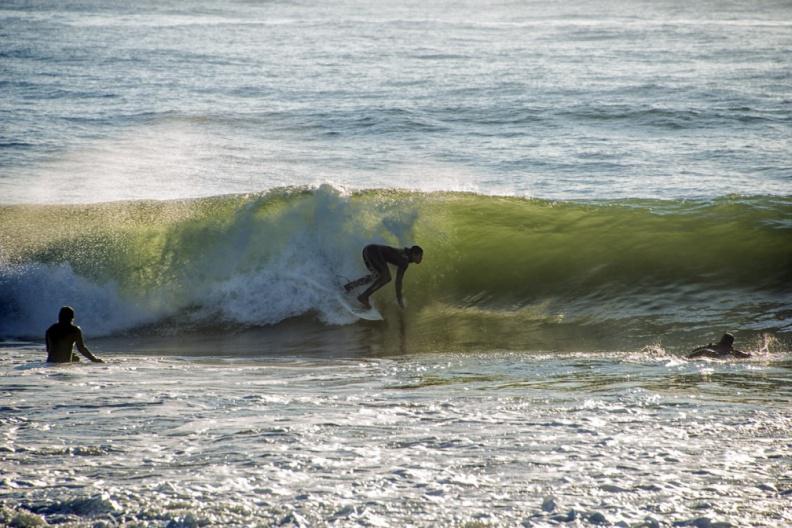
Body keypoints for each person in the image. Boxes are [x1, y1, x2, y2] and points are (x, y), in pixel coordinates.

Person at [344, 244, 423, 309]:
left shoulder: (404, 255)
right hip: (373, 251)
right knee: (386, 277)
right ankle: (363, 297)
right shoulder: (405, 261)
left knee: (377, 276)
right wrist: (399, 300)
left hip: (368, 250)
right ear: (414, 254)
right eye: (420, 256)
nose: (421, 259)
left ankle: (350, 286)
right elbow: (398, 282)